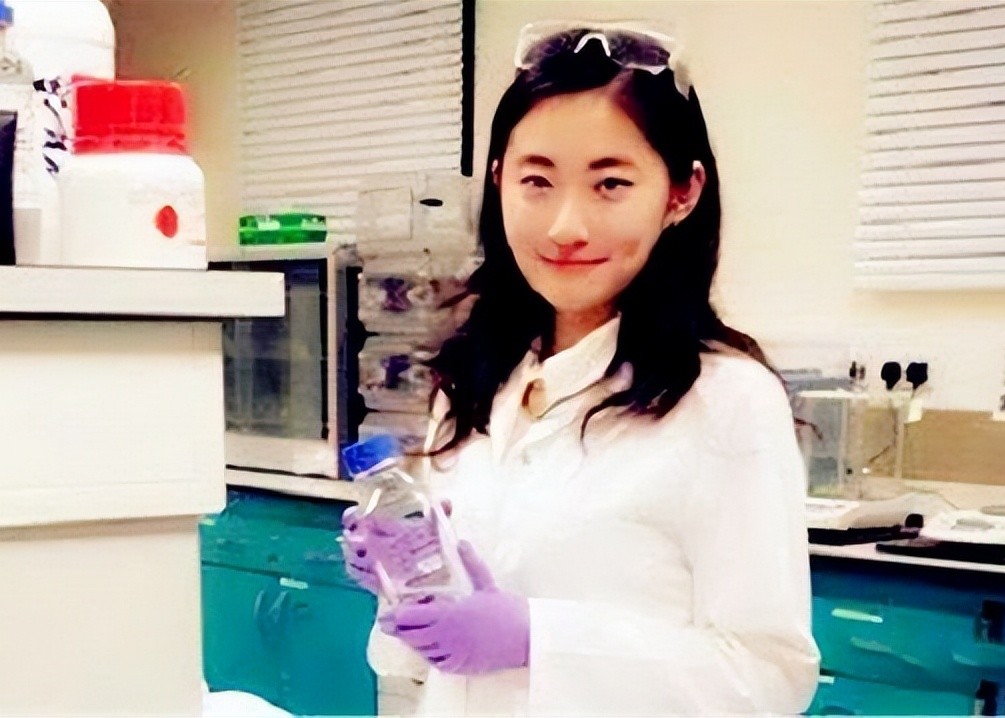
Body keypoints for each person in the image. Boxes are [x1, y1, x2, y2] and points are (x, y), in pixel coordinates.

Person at [341, 22, 820, 716]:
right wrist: (405, 584)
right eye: (537, 180)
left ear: (681, 193)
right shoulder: (476, 379)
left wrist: (538, 639)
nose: (566, 225)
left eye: (610, 183)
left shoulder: (726, 400)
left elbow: (769, 675)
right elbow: (422, 663)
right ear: (499, 181)